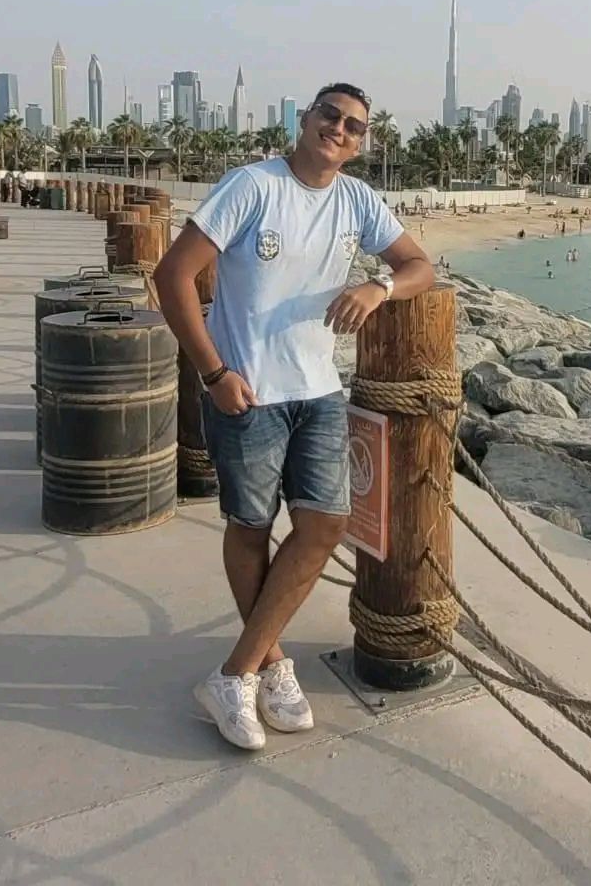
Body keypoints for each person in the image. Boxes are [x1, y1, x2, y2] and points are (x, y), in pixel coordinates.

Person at [155, 83, 434, 752]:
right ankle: (271, 663)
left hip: (319, 393)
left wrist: (379, 286)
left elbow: (418, 265)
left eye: (354, 126)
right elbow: (172, 276)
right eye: (330, 115)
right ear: (305, 120)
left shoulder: (357, 200)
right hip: (247, 395)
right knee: (250, 528)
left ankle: (237, 672)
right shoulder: (253, 186)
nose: (339, 129)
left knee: (324, 525)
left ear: (361, 144)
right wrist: (214, 373)